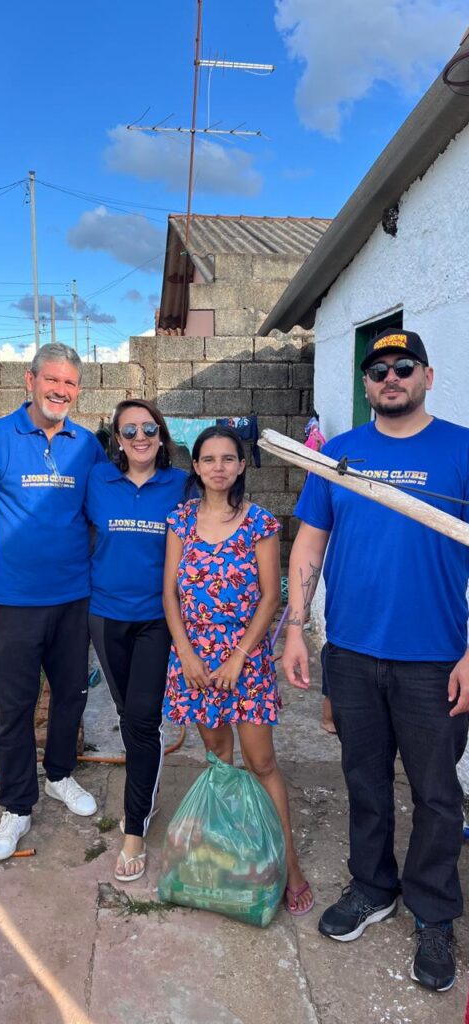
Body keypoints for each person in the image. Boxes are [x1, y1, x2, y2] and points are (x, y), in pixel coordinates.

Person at [282, 328, 469, 991]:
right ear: (366, 384)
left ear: (427, 376)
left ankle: (433, 911)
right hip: (353, 655)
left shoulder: (462, 449)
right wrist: (296, 629)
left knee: (437, 795)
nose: (391, 377)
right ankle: (373, 887)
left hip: (435, 659)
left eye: (403, 366)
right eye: (378, 369)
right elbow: (309, 546)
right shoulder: (339, 455)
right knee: (363, 781)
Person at [0, 343, 106, 861]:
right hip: (15, 600)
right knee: (15, 705)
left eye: (70, 384)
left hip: (74, 597)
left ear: (77, 391)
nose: (60, 391)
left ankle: (60, 774)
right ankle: (17, 805)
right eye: (52, 380)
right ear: (31, 380)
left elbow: (102, 511)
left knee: (71, 694)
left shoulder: (87, 446)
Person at [163, 426, 313, 915]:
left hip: (244, 661)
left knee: (261, 762)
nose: (219, 467)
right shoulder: (180, 520)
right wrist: (186, 654)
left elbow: (271, 597)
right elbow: (170, 594)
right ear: (196, 467)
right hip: (196, 663)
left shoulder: (259, 523)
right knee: (219, 761)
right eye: (209, 459)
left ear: (242, 465)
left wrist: (239, 656)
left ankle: (289, 864)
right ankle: (231, 854)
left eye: (228, 458)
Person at [86, 399, 186, 882]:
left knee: (144, 719)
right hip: (105, 616)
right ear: (117, 441)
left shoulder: (181, 485)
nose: (140, 437)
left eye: (149, 428)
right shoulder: (97, 481)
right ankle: (146, 785)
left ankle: (134, 829)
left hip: (156, 619)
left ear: (161, 436)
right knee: (128, 714)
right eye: (129, 431)